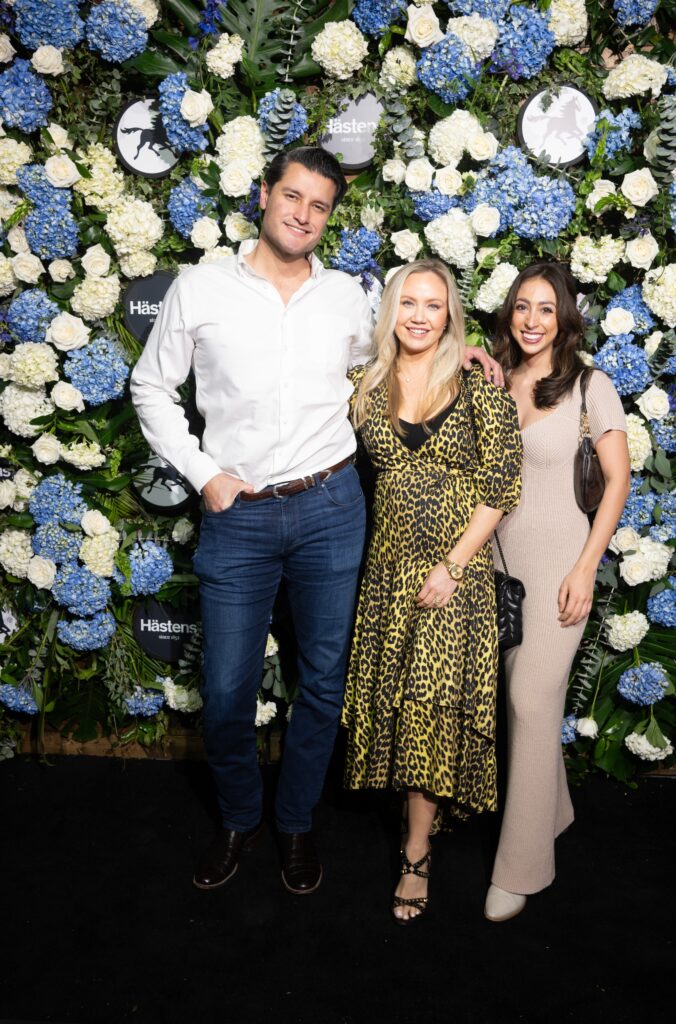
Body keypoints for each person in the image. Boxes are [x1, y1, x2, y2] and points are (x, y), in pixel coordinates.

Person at [130, 148, 500, 896]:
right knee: (229, 691)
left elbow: (403, 359)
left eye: (319, 205)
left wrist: (470, 354)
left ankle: (296, 822)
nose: (302, 213)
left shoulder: (346, 298)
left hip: (333, 508)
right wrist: (205, 475)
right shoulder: (201, 288)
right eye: (292, 196)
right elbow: (149, 387)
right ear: (264, 195)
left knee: (323, 682)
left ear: (330, 216)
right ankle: (240, 816)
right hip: (240, 515)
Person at [341, 258, 522, 924]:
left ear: (451, 315)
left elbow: (501, 489)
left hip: (455, 575)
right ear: (392, 310)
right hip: (388, 569)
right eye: (409, 303)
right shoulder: (365, 384)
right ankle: (419, 821)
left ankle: (416, 855)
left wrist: (451, 566)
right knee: (400, 702)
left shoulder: (479, 390)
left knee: (427, 703)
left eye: (434, 305)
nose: (420, 315)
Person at [483, 262, 630, 923]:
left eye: (546, 308)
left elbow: (618, 482)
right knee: (517, 701)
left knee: (528, 698)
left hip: (558, 566)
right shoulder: (496, 377)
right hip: (495, 563)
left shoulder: (591, 386)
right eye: (522, 307)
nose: (533, 319)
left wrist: (584, 567)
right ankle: (557, 809)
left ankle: (521, 869)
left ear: (565, 316)